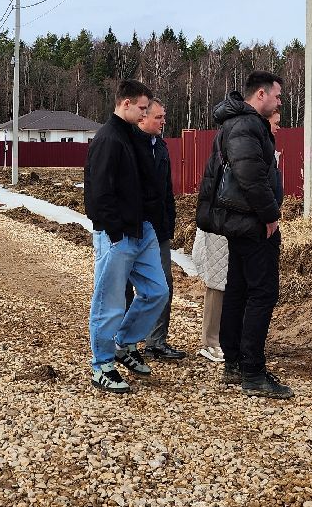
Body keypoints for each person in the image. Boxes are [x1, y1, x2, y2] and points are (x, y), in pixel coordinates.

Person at [194, 71, 293, 399]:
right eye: (277, 96)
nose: (280, 102)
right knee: (261, 293)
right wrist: (270, 216)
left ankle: (234, 364)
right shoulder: (247, 125)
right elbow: (250, 175)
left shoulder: (236, 123)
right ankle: (252, 371)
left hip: (239, 222)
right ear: (261, 95)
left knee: (236, 290)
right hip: (251, 224)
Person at [84, 79, 170, 394]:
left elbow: (148, 186)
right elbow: (97, 193)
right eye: (143, 108)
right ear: (126, 104)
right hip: (117, 234)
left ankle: (124, 342)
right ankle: (102, 365)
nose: (147, 112)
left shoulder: (134, 138)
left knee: (157, 291)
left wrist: (152, 224)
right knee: (109, 302)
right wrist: (115, 231)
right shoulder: (108, 139)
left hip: (142, 230)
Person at [123, 98, 185, 361]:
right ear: (142, 118)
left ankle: (156, 341)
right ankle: (125, 344)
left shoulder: (160, 146)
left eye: (164, 116)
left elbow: (166, 191)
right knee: (125, 287)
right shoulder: (127, 146)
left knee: (163, 285)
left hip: (157, 230)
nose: (163, 122)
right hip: (131, 230)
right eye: (159, 117)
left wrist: (168, 222)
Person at [189, 227, 227, 362]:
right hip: (217, 230)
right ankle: (211, 342)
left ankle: (228, 337)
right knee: (217, 285)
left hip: (238, 228)